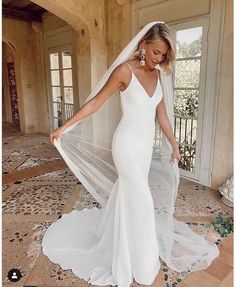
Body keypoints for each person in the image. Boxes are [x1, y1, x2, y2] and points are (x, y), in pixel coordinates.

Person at [42, 21, 219, 287]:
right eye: (155, 51)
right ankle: (142, 263)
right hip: (125, 145)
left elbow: (162, 116)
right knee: (143, 200)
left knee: (129, 195)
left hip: (144, 147)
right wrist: (65, 127)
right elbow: (95, 103)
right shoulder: (124, 71)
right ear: (143, 44)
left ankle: (124, 244)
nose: (158, 58)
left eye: (163, 54)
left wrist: (174, 143)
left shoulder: (159, 75)